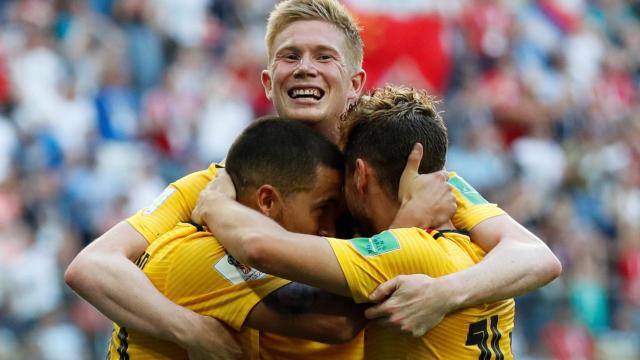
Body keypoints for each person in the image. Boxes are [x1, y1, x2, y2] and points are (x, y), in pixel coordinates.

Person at [65, 0, 560, 357]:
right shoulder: (219, 182)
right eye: (290, 55)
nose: (306, 68)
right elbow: (93, 266)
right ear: (267, 80)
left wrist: (446, 293)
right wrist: (188, 330)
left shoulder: (395, 170)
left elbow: (534, 256)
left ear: (356, 82)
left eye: (325, 56)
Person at [193, 86, 520, 359]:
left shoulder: (406, 253)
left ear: (360, 176)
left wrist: (214, 202)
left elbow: (256, 246)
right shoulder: (487, 253)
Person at [106, 117, 367, 359]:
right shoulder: (204, 256)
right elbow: (339, 321)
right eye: (322, 209)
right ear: (267, 201)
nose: (329, 230)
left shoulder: (221, 243)